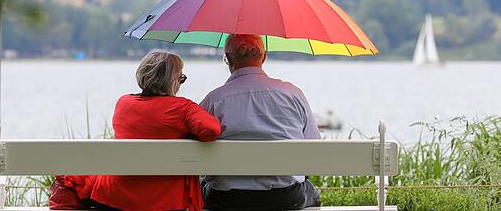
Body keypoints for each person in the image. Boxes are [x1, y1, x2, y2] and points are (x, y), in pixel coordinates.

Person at [50, 50, 221, 211]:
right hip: (166, 202)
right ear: (172, 80)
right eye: (181, 78)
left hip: (114, 198)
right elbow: (212, 130)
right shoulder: (183, 108)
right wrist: (187, 134)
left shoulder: (123, 103)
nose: (180, 84)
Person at [199, 34, 321, 211]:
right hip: (285, 197)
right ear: (264, 57)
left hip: (227, 199)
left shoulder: (214, 100)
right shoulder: (293, 94)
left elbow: (195, 149)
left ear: (228, 58)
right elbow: (313, 146)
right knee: (312, 193)